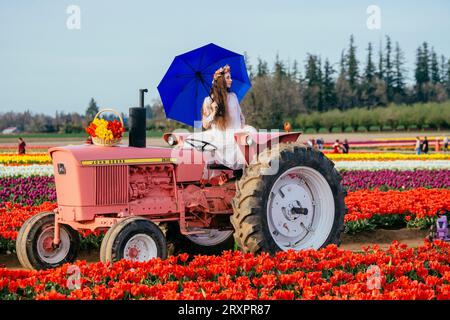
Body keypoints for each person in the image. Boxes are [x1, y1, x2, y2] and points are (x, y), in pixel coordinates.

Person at [197, 64, 255, 171]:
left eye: (230, 77)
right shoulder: (209, 101)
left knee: (252, 138)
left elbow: (241, 117)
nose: (231, 80)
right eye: (228, 78)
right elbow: (205, 125)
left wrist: (242, 128)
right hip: (220, 139)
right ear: (220, 81)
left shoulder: (233, 97)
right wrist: (214, 112)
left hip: (236, 135)